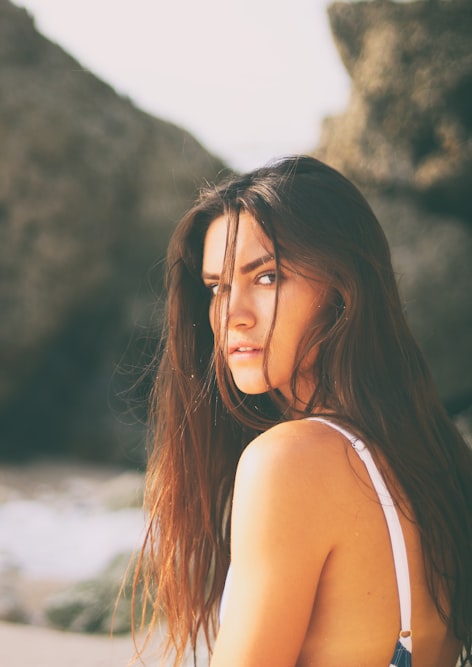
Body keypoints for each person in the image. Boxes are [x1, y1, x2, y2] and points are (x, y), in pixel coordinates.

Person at [134, 155, 472, 666]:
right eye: (217, 287)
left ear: (340, 286)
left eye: (266, 277)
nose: (232, 315)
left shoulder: (290, 462)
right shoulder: (432, 459)